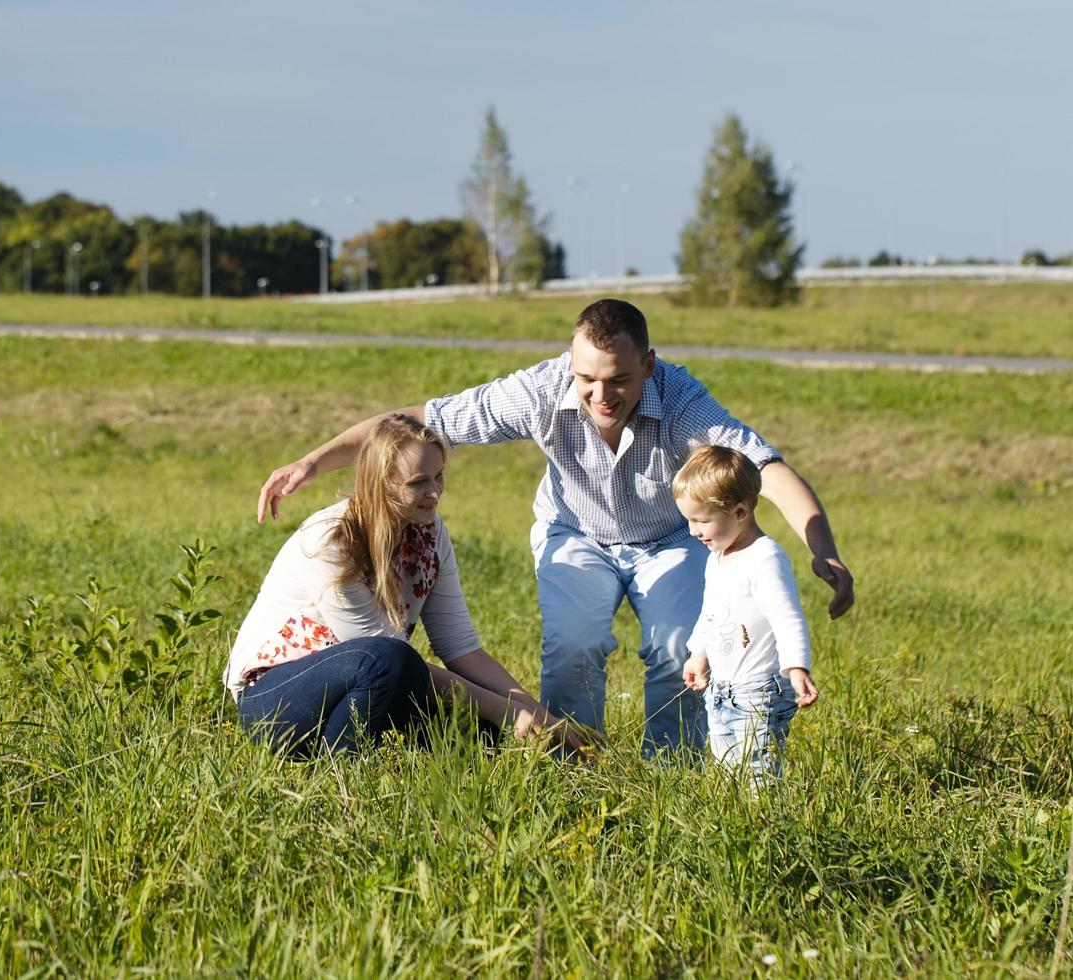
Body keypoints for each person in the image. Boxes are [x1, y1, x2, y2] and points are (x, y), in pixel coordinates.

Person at [257, 298, 852, 759]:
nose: (601, 395)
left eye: (618, 380)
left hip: (668, 540)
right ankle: (574, 760)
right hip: (576, 535)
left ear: (647, 365)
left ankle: (677, 771)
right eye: (587, 378)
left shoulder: (683, 400)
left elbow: (762, 467)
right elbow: (415, 421)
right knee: (573, 645)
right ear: (571, 365)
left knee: (677, 648)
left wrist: (821, 548)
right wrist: (313, 460)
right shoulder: (540, 391)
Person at [227, 413, 587, 756]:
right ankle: (341, 778)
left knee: (476, 727)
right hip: (274, 702)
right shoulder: (330, 539)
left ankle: (394, 778)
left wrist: (538, 716)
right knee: (388, 658)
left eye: (439, 476)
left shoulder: (431, 535)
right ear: (379, 484)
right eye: (418, 482)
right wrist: (504, 710)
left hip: (362, 686)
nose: (435, 492)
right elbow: (383, 654)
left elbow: (462, 649)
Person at [674, 445, 820, 787]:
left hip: (759, 691)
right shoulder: (718, 555)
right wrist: (698, 654)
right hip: (723, 689)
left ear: (740, 511)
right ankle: (739, 827)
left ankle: (769, 828)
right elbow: (711, 611)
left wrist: (796, 667)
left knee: (758, 774)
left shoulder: (765, 558)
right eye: (689, 521)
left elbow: (787, 617)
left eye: (701, 520)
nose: (694, 531)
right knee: (727, 770)